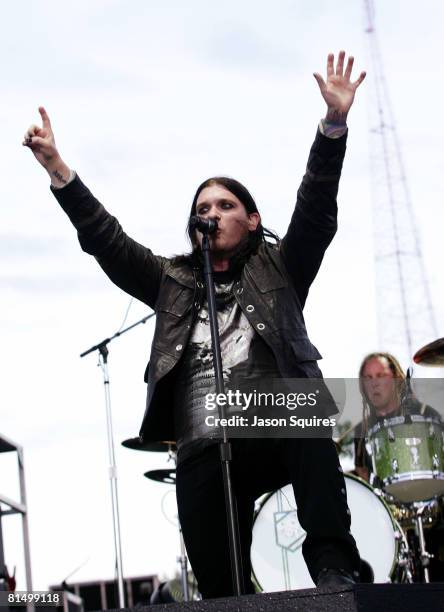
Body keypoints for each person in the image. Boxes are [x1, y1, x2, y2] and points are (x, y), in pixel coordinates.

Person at [23, 51, 365, 597]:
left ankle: (334, 564)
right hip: (203, 428)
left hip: (277, 408)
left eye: (226, 204)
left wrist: (333, 127)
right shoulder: (172, 280)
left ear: (251, 219)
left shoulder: (280, 263)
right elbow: (107, 240)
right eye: (203, 206)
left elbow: (317, 205)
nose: (212, 212)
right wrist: (59, 172)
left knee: (307, 415)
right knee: (219, 586)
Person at [354, 352, 444, 582]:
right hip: (390, 522)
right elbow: (362, 475)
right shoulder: (361, 430)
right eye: (368, 378)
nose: (374, 383)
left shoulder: (425, 415)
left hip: (434, 512)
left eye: (380, 375)